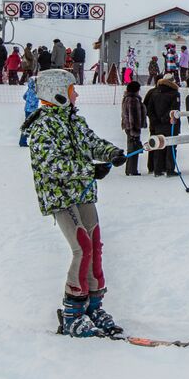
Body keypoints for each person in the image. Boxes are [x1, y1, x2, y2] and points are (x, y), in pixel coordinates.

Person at [22, 68, 129, 337]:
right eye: (72, 91)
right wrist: (89, 170)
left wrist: (111, 152)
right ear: (57, 93)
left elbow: (90, 142)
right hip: (60, 196)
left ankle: (93, 306)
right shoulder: (42, 127)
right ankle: (72, 311)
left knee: (94, 245)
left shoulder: (72, 120)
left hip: (82, 193)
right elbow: (52, 164)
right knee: (81, 247)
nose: (77, 95)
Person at [143, 76, 181, 177]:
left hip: (157, 125)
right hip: (170, 124)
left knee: (159, 146)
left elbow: (149, 109)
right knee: (171, 146)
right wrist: (165, 119)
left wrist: (155, 120)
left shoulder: (154, 93)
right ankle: (169, 169)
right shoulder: (174, 93)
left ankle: (157, 170)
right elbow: (174, 110)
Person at [120, 80, 146, 175]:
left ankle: (130, 169)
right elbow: (133, 116)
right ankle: (132, 170)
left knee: (131, 147)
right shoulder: (133, 99)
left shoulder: (127, 98)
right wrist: (135, 130)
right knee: (133, 148)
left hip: (128, 126)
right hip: (132, 127)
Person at [20, 76, 39, 146]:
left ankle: (23, 141)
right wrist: (33, 104)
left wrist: (28, 102)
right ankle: (23, 141)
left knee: (28, 125)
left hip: (27, 109)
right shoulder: (35, 91)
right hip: (32, 110)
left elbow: (24, 97)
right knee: (29, 126)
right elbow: (33, 101)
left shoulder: (29, 89)